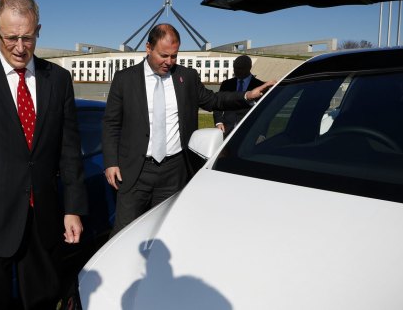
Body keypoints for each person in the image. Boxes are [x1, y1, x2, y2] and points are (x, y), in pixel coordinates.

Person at [0, 0, 87, 310]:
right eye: (11, 38)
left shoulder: (59, 79)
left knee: (42, 302)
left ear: (38, 31)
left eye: (28, 37)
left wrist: (73, 208)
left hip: (44, 224)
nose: (20, 48)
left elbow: (69, 148)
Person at [103, 23, 275, 236]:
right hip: (135, 171)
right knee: (124, 233)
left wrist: (247, 96)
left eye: (174, 56)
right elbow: (111, 123)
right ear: (148, 48)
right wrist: (111, 162)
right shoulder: (124, 79)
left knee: (166, 233)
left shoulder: (187, 77)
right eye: (164, 55)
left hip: (174, 172)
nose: (169, 62)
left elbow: (213, 100)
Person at [214, 55, 266, 137]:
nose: (237, 71)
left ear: (249, 67)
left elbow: (264, 112)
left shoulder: (259, 85)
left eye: (240, 68)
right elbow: (218, 104)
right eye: (235, 68)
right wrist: (219, 122)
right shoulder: (226, 84)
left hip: (250, 130)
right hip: (226, 129)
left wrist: (262, 133)